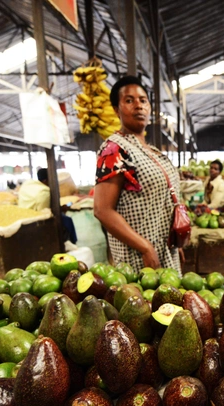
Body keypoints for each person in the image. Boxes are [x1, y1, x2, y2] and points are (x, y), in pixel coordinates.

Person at [93, 75, 182, 272]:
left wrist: (176, 238)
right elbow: (102, 210)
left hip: (165, 251)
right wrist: (145, 247)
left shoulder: (153, 152)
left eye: (143, 100)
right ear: (117, 110)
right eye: (129, 100)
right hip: (138, 257)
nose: (138, 106)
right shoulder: (115, 149)